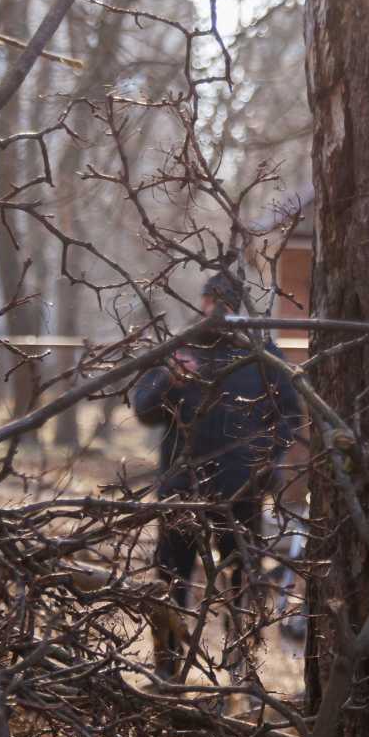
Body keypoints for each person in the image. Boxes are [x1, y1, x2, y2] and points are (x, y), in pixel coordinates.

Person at [131, 269, 303, 676]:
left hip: (241, 489)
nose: (218, 309)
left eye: (227, 301)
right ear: (203, 302)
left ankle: (241, 675)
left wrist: (264, 462)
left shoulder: (263, 355)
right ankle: (167, 672)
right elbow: (143, 409)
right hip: (181, 487)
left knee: (242, 581)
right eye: (213, 300)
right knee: (171, 580)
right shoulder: (181, 349)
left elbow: (290, 418)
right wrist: (171, 377)